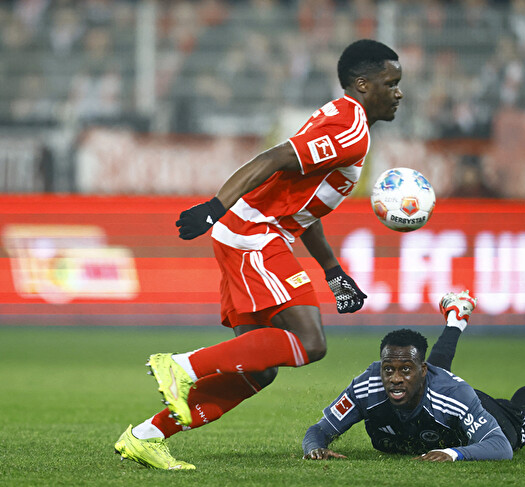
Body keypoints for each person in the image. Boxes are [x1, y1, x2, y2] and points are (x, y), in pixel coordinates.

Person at [114, 39, 403, 470]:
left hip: (253, 234)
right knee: (310, 342)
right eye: (391, 82)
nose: (399, 92)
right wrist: (216, 206)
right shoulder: (351, 130)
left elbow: (300, 204)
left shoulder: (342, 118)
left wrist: (333, 271)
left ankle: (146, 436)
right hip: (255, 234)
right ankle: (181, 366)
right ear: (363, 84)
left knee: (257, 370)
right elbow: (276, 158)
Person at [302, 290, 525, 462]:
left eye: (404, 370)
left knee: (520, 426)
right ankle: (456, 319)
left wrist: (452, 453)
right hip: (432, 389)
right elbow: (320, 430)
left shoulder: (453, 395)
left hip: (462, 405)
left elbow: (500, 446)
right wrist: (315, 448)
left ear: (422, 371)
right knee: (426, 378)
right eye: (388, 369)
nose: (394, 378)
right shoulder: (367, 386)